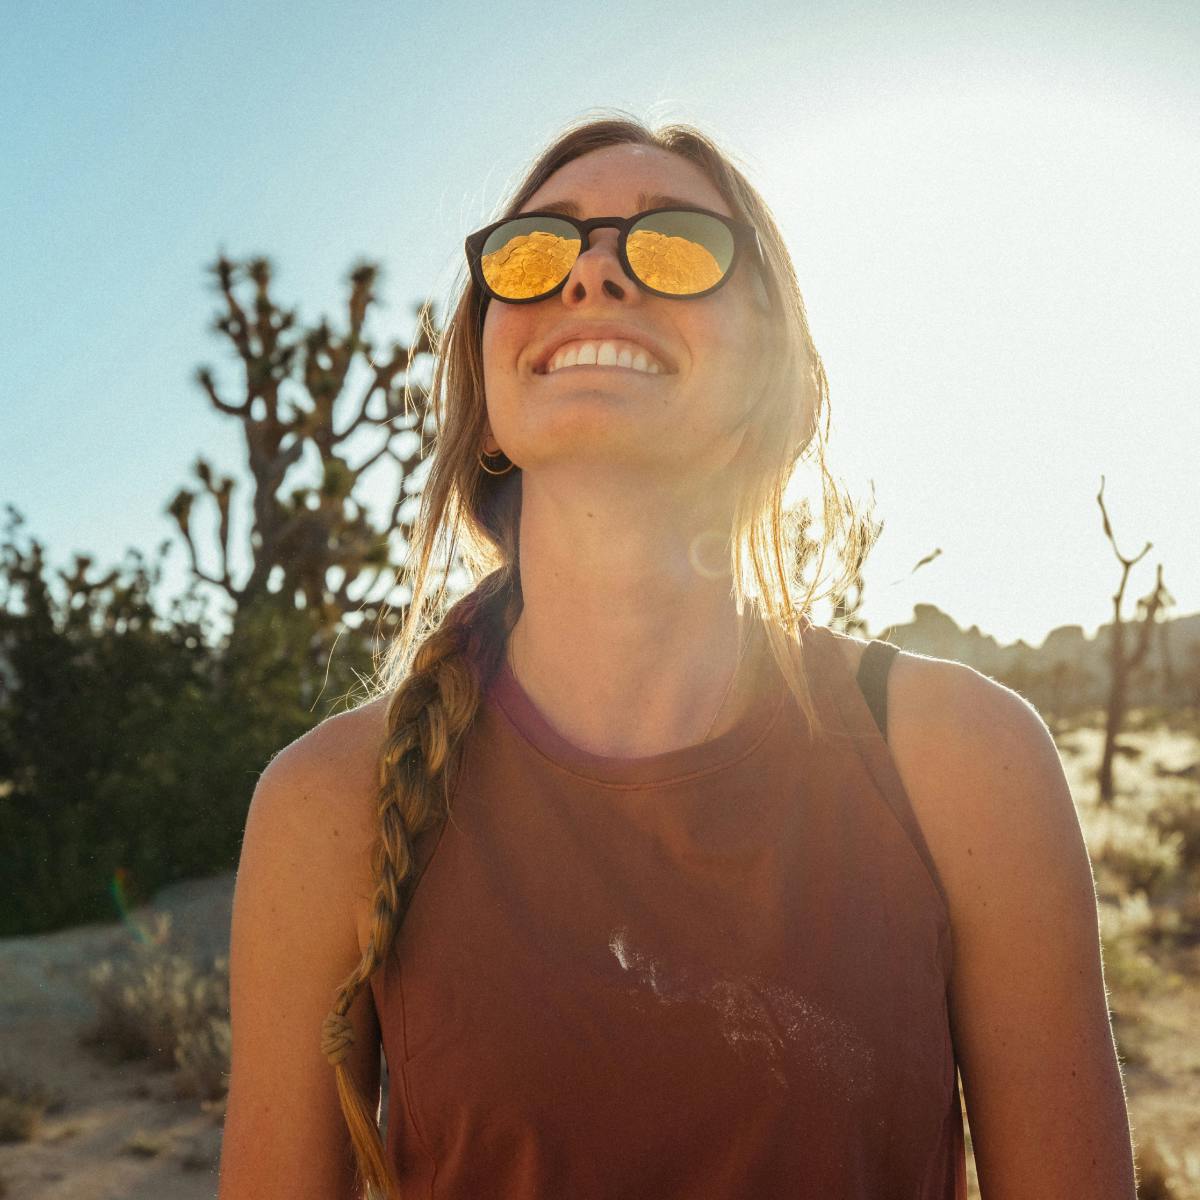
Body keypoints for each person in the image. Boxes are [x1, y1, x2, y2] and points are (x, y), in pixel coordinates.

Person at [216, 114, 1138, 1200]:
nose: (596, 271)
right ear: (490, 396)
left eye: (677, 244)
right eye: (536, 248)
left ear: (768, 373)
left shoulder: (962, 765)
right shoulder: (330, 803)